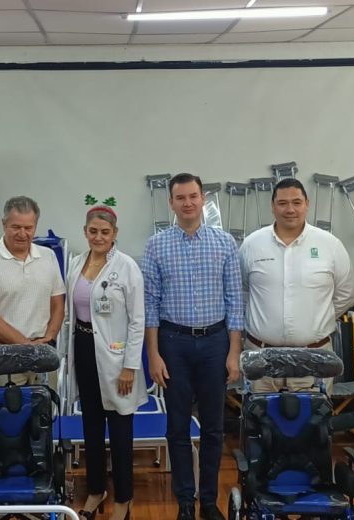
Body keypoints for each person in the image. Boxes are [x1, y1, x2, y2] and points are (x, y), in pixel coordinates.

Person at [143, 173, 244, 520]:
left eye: (193, 196)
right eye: (180, 197)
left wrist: (234, 353)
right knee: (178, 427)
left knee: (214, 428)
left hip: (216, 342)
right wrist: (153, 355)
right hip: (174, 344)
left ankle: (208, 502)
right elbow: (150, 305)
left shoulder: (224, 243)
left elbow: (235, 303)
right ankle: (185, 502)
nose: (187, 203)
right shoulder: (156, 245)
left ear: (203, 200)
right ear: (171, 202)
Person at [66, 206, 148, 520]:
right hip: (84, 348)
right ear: (85, 232)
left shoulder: (127, 268)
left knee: (120, 429)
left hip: (116, 357)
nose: (98, 237)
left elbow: (137, 321)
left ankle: (124, 499)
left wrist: (130, 366)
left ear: (114, 234)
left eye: (105, 232)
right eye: (93, 231)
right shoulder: (76, 263)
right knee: (91, 427)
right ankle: (96, 492)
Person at [238, 178, 354, 393]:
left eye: (296, 202)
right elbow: (244, 292)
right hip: (261, 359)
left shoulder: (330, 245)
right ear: (273, 206)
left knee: (312, 425)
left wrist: (315, 321)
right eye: (282, 203)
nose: (290, 209)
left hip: (314, 359)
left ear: (307, 204)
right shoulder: (252, 245)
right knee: (262, 425)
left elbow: (346, 294)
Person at [0, 195, 65, 385]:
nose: (22, 233)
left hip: (43, 353)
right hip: (2, 354)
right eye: (16, 227)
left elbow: (57, 304)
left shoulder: (48, 256)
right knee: (6, 413)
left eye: (28, 228)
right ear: (4, 224)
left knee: (46, 412)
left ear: (35, 227)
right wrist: (27, 347)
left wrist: (50, 337)